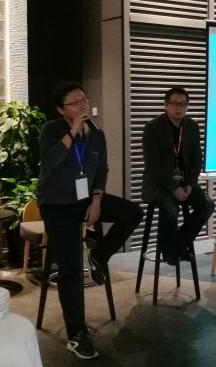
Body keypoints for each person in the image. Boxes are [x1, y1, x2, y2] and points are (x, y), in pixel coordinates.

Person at [36, 81, 143, 360]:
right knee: (71, 269)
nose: (83, 105)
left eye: (84, 100)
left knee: (133, 212)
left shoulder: (97, 134)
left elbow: (101, 170)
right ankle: (76, 334)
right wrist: (72, 131)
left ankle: (98, 256)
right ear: (62, 110)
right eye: (75, 103)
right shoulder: (51, 130)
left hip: (85, 199)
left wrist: (97, 199)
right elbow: (49, 163)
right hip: (56, 204)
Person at [142, 87, 214, 265]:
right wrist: (173, 188)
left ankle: (181, 242)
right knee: (170, 208)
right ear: (165, 105)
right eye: (174, 103)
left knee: (207, 204)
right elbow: (153, 165)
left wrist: (189, 184)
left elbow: (196, 159)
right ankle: (169, 251)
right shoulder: (153, 127)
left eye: (183, 104)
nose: (178, 108)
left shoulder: (192, 126)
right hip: (158, 184)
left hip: (184, 182)